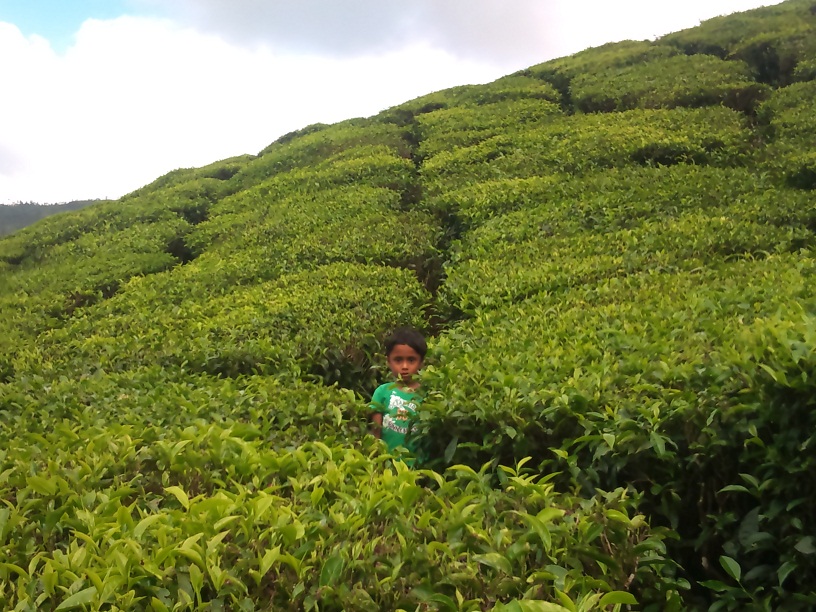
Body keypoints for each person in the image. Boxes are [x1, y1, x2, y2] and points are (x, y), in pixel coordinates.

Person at [369, 327, 427, 463]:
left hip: (418, 469)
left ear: (421, 362)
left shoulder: (428, 394)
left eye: (411, 360)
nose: (404, 366)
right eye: (398, 360)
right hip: (388, 467)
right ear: (388, 361)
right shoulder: (382, 392)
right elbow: (376, 436)